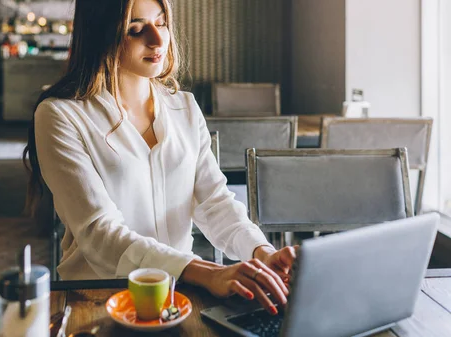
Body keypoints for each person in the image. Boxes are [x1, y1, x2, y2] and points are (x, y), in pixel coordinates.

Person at [23, 0, 296, 315]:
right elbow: (99, 230)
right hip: (99, 296)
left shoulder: (185, 108)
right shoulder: (60, 115)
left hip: (179, 295)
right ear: (100, 33)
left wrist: (260, 252)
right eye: (135, 28)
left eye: (162, 22)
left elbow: (214, 202)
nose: (157, 40)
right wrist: (207, 273)